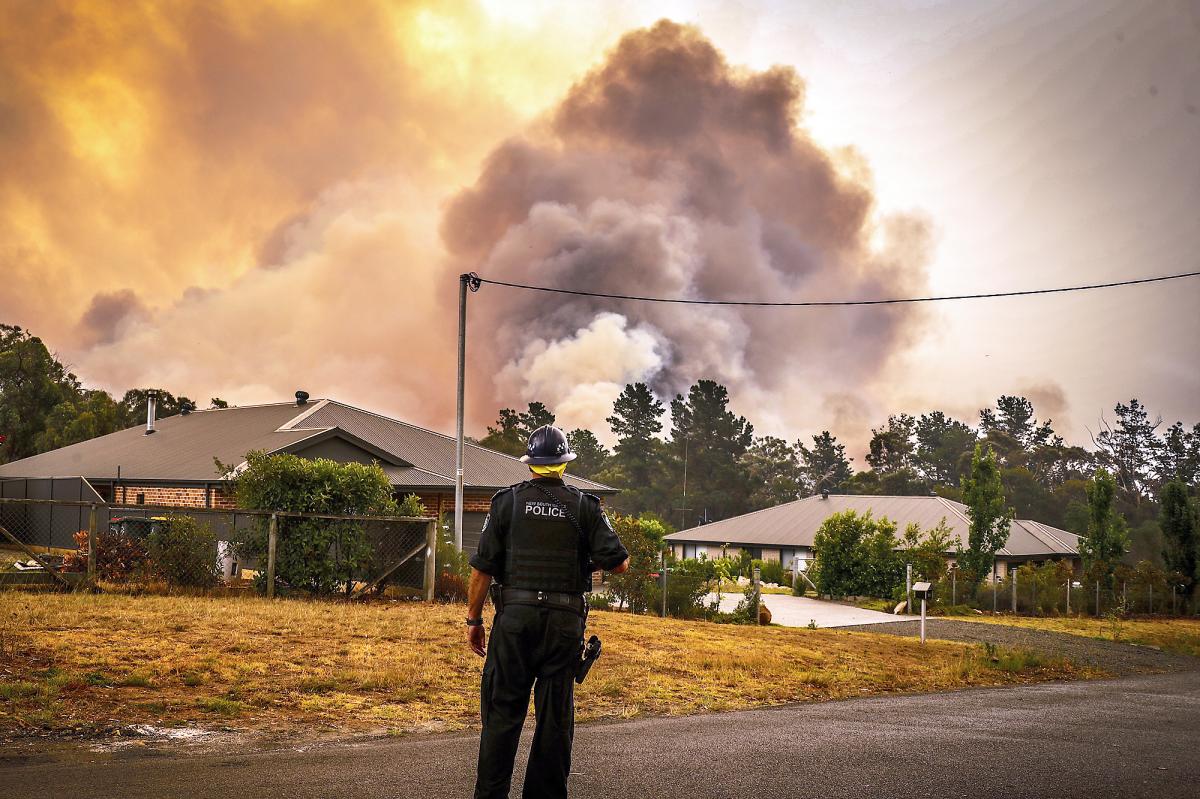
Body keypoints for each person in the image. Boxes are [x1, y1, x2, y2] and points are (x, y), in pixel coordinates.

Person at [467, 424, 630, 799]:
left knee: (502, 715)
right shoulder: (586, 507)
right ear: (564, 463)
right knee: (554, 721)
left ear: (531, 464)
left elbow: (482, 569)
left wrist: (474, 620)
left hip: (514, 622)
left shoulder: (505, 502)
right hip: (563, 626)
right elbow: (619, 564)